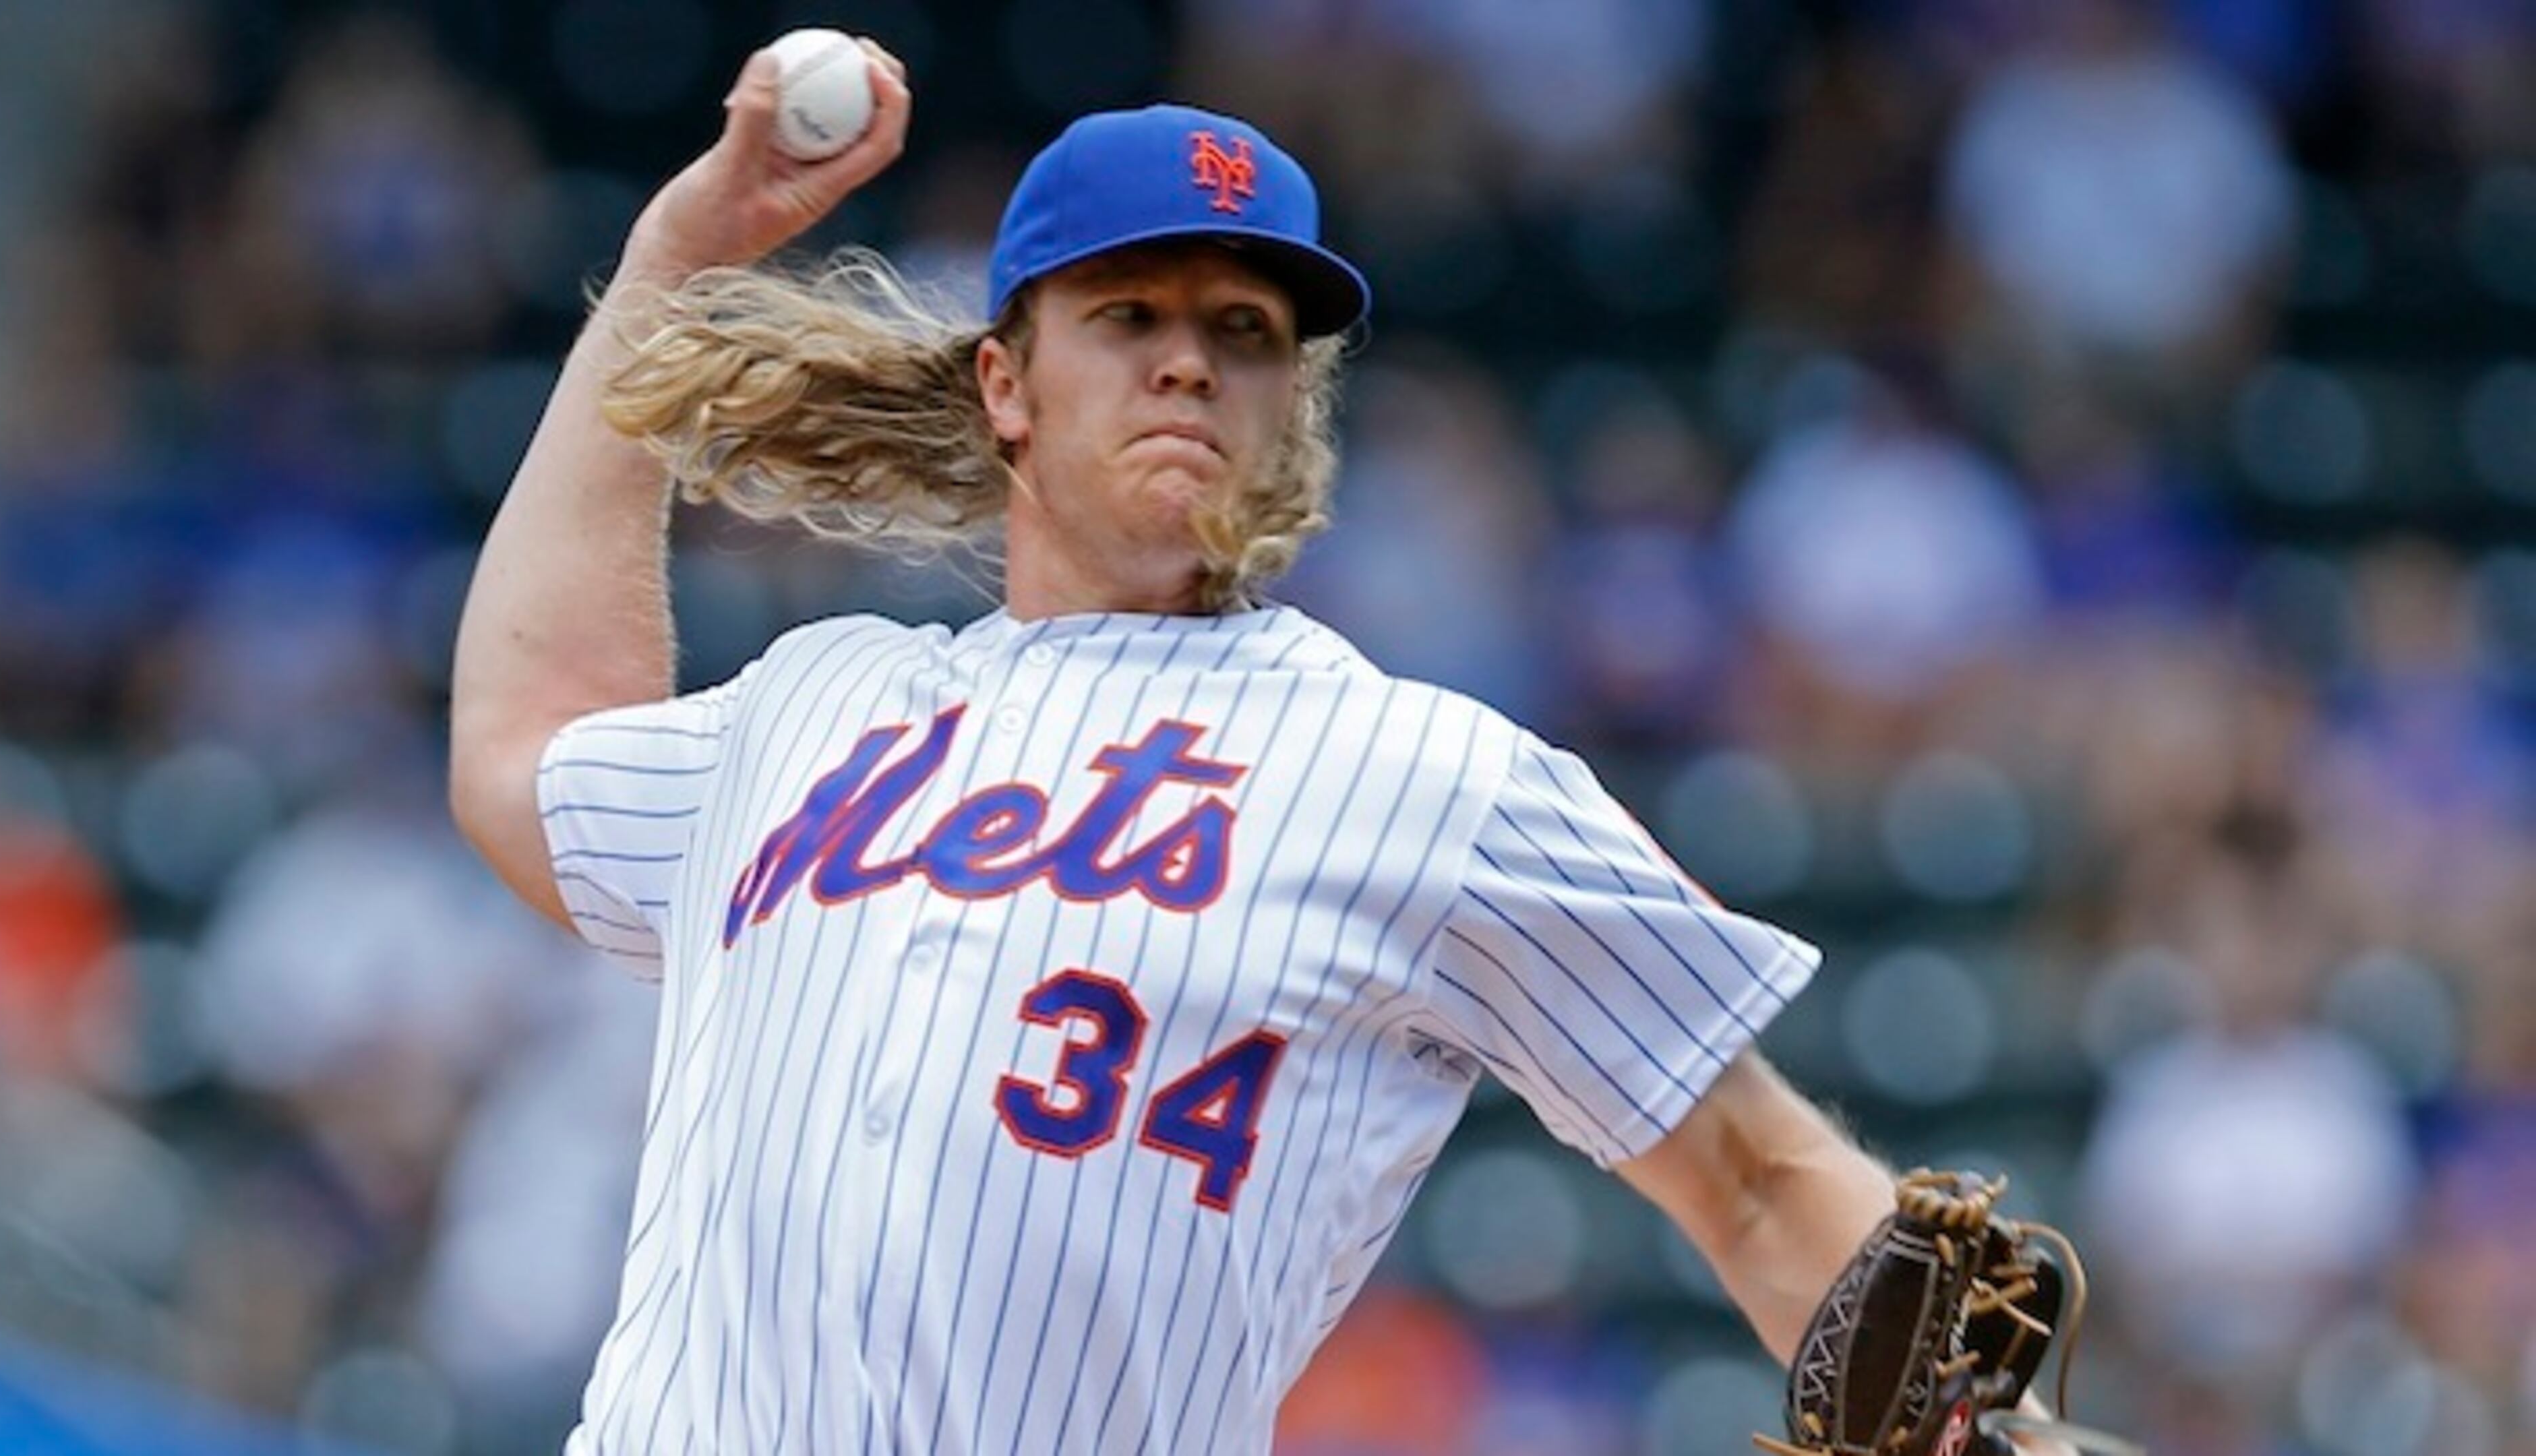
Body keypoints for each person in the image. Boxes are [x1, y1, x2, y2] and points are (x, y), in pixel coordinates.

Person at [448, 38, 2072, 1456]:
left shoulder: (1427, 781)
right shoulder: (815, 704)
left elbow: (1758, 1180)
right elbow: (529, 745)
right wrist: (676, 254)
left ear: (1292, 403)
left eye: (1245, 330)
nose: (1189, 361)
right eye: (1130, 311)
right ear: (1005, 382)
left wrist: (1986, 1433)